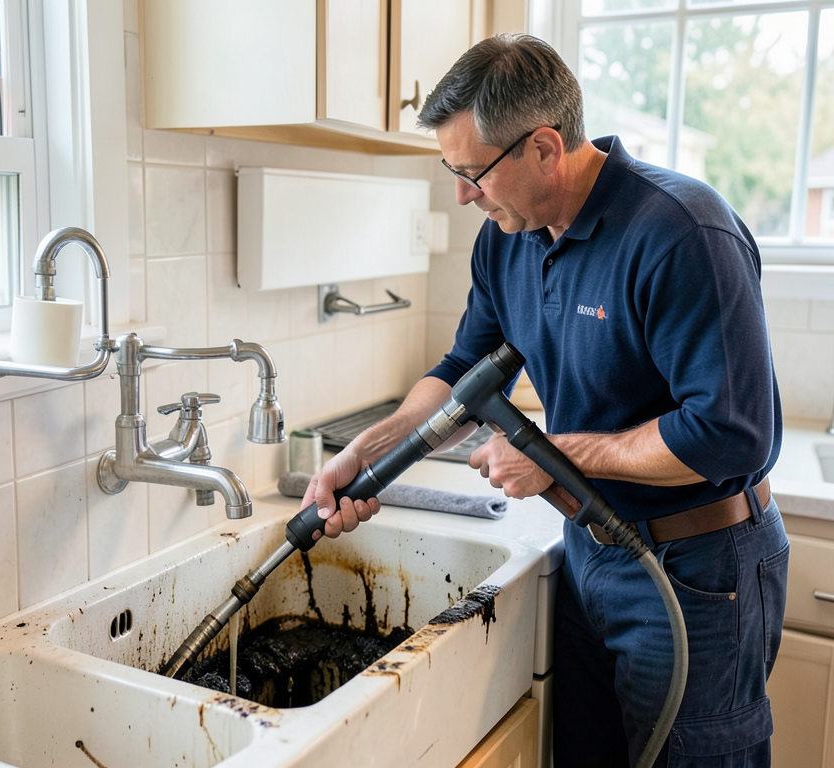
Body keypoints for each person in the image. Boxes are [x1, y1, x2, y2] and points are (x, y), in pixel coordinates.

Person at [299, 33, 789, 768]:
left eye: (473, 173)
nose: (463, 195)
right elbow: (467, 371)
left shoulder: (682, 233)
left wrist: (554, 456)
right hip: (589, 554)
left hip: (697, 569)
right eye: (451, 171)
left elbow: (729, 434)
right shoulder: (509, 237)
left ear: (545, 149)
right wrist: (368, 453)